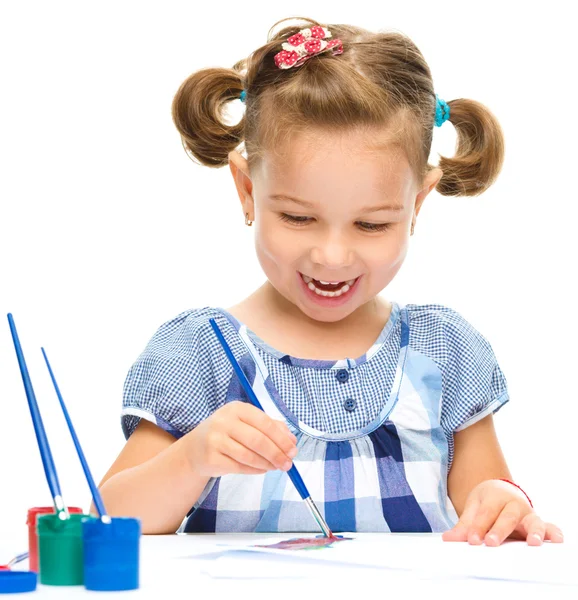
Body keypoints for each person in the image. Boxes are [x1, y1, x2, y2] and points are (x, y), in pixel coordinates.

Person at [96, 17, 563, 546]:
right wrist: (189, 458)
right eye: (298, 218)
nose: (332, 256)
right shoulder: (200, 355)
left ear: (417, 205)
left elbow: (488, 502)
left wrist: (507, 503)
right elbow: (107, 524)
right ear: (247, 190)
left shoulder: (443, 351)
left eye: (371, 224)